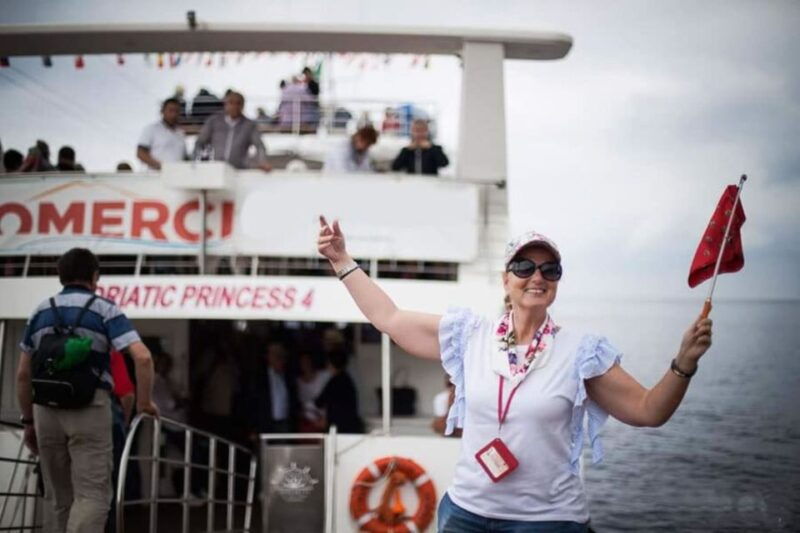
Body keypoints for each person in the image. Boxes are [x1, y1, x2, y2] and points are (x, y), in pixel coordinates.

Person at [316, 218, 714, 532]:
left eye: (549, 269)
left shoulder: (581, 352)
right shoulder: (470, 336)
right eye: (524, 266)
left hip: (547, 522)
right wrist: (342, 261)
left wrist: (684, 363)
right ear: (506, 279)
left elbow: (648, 411)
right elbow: (389, 318)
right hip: (466, 515)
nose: (537, 276)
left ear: (557, 281)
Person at [15, 247, 158, 533]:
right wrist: (144, 404)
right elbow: (142, 357)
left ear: (60, 276)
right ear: (95, 277)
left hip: (45, 412)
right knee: (92, 495)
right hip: (88, 409)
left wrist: (29, 421)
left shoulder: (40, 311)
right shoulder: (104, 309)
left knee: (58, 497)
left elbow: (22, 374)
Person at [194, 91, 271, 171]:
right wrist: (198, 162)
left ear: (243, 106)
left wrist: (262, 161)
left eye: (238, 103)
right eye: (231, 103)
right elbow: (200, 142)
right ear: (225, 104)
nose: (234, 106)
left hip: (239, 171)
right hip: (216, 169)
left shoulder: (249, 125)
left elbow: (259, 146)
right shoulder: (214, 121)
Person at [249, 342, 298, 436]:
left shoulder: (289, 376)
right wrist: (253, 427)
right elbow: (253, 403)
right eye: (274, 353)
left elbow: (294, 401)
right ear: (267, 356)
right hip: (265, 424)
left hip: (284, 424)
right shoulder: (259, 377)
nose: (278, 357)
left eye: (280, 353)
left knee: (282, 449)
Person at [314, 348, 365, 434]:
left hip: (338, 428)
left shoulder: (334, 382)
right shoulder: (347, 380)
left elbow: (319, 402)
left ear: (330, 364)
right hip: (350, 426)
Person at [136, 97, 188, 170]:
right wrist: (161, 167)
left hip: (177, 177)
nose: (173, 114)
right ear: (162, 111)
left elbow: (184, 157)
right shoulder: (151, 129)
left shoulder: (180, 134)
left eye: (176, 111)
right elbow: (141, 153)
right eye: (170, 110)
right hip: (156, 177)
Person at [296, 351, 331, 432]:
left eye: (307, 361)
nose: (306, 364)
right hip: (307, 424)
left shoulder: (324, 375)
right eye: (303, 362)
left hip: (324, 422)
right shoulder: (297, 382)